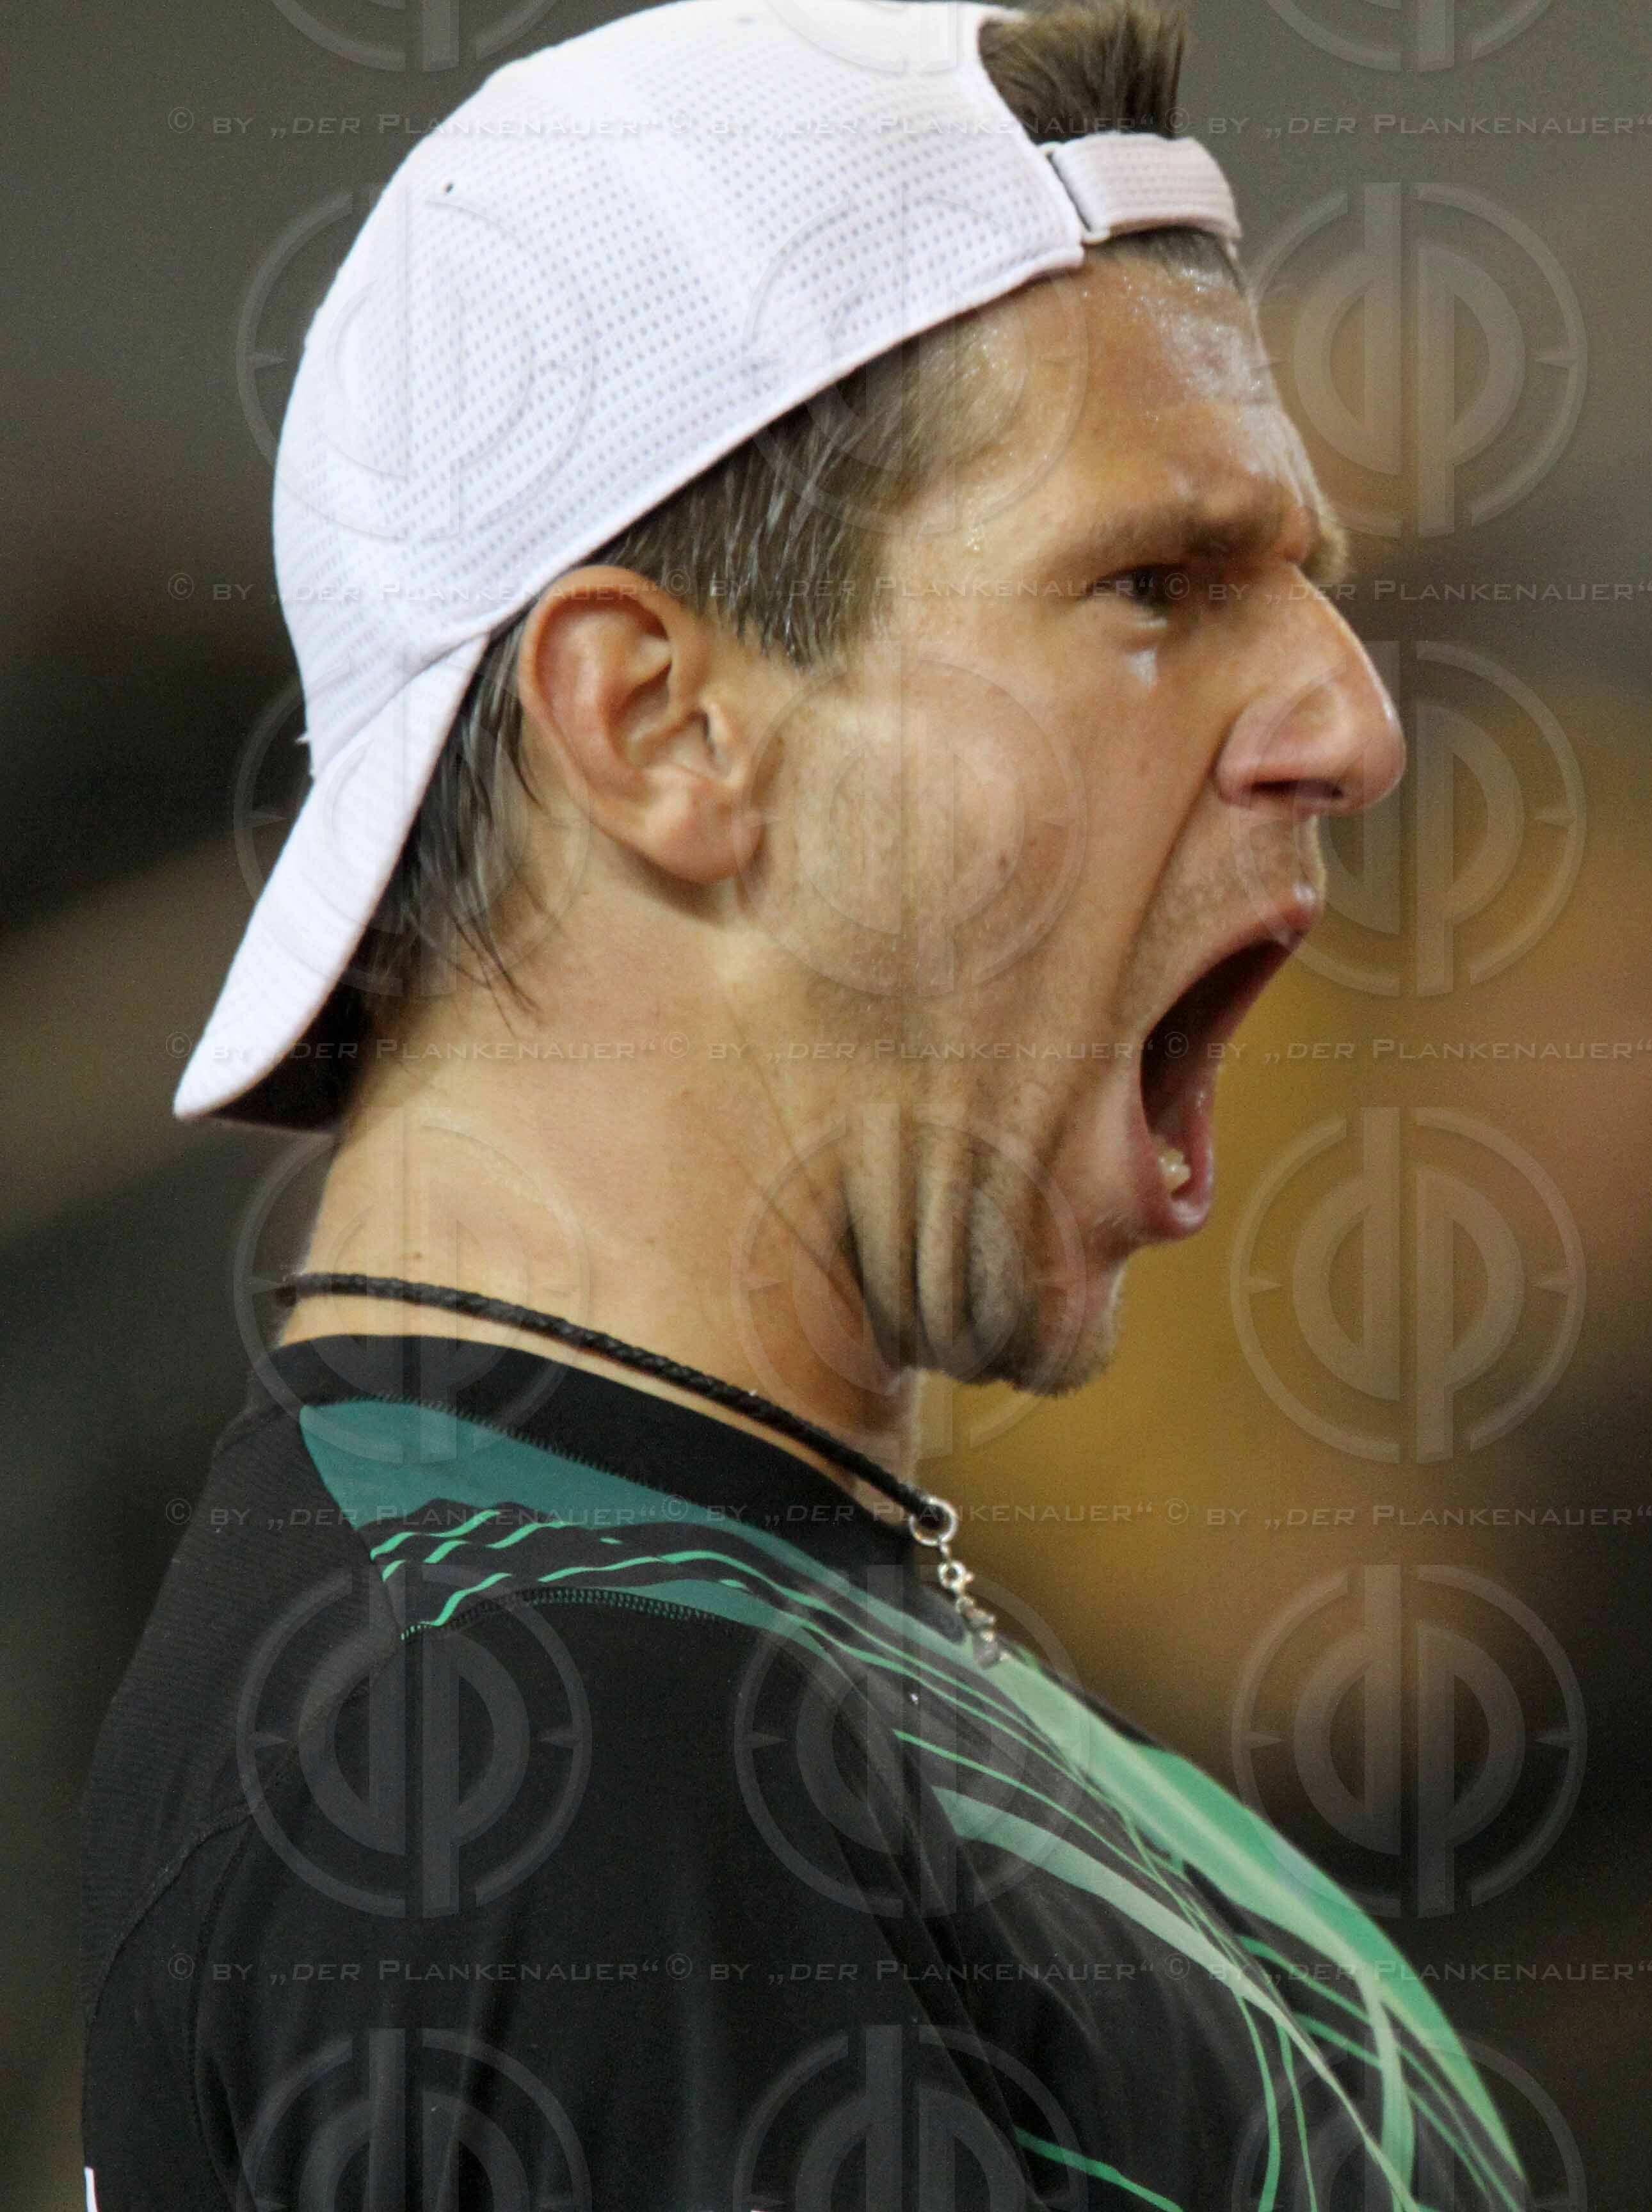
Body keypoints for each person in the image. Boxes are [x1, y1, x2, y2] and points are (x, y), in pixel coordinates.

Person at [73, 3, 1523, 2205]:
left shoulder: (677, 1654)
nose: (1346, 713)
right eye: (1156, 586)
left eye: (1295, 583)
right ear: (655, 723)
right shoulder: (516, 1780)